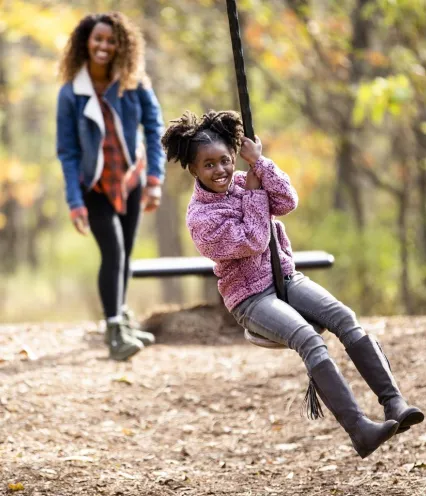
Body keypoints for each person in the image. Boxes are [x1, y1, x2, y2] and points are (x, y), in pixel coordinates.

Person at [161, 109, 424, 458]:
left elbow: (287, 200)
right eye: (208, 165)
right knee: (308, 339)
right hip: (251, 297)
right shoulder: (201, 217)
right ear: (193, 169)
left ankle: (394, 403)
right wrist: (255, 194)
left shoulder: (245, 180)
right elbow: (253, 240)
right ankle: (360, 429)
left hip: (285, 277)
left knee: (344, 317)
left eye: (225, 160)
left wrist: (260, 163)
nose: (220, 170)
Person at [56, 12, 165, 360]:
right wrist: (75, 202)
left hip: (131, 180)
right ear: (86, 42)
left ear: (121, 45)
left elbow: (154, 127)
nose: (103, 45)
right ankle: (114, 330)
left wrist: (154, 182)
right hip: (95, 187)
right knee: (113, 252)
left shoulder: (134, 83)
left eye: (110, 40)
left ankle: (123, 321)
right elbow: (68, 152)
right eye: (97, 39)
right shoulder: (71, 94)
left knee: (127, 255)